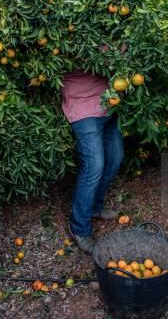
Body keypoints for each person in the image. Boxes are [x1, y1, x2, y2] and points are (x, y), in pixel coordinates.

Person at [61, 69, 124, 254]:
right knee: (94, 165)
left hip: (108, 101)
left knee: (115, 158)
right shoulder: (73, 41)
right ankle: (79, 227)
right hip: (82, 105)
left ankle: (95, 207)